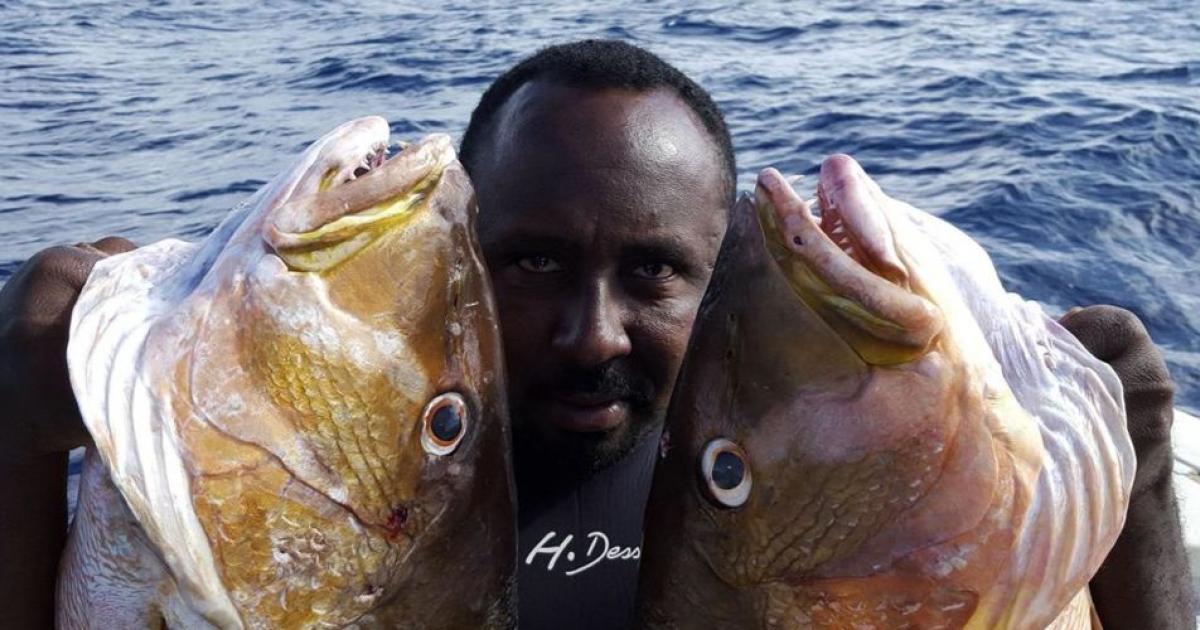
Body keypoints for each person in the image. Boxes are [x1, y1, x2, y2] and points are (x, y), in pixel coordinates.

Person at [0, 39, 1191, 629]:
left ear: (715, 280)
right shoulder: (346, 490)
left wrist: (1134, 499)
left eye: (654, 273)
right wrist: (13, 433)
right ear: (461, 259)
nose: (591, 334)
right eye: (531, 262)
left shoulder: (780, 516)